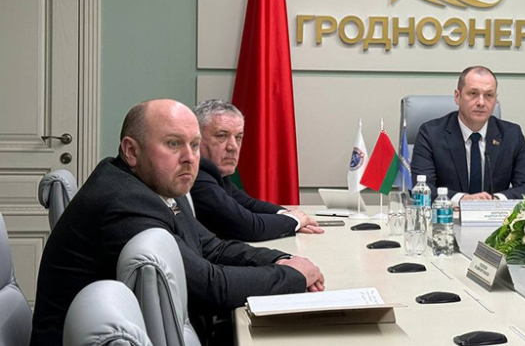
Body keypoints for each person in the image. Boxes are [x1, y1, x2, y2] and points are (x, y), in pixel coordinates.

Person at [30, 100, 324, 346]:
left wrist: (282, 260)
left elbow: (213, 248)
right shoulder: (123, 201)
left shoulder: (161, 184)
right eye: (173, 144)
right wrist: (292, 276)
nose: (189, 158)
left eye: (194, 145)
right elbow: (209, 288)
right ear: (131, 151)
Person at [191, 99, 323, 241]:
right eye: (221, 136)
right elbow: (248, 227)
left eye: (238, 137)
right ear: (195, 139)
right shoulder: (195, 176)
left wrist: (288, 215)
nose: (233, 146)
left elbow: (249, 204)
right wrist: (294, 221)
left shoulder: (214, 173)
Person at [411, 66, 525, 204]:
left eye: (489, 95)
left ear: (495, 100)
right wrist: (463, 199)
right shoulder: (431, 134)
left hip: (494, 215)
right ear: (457, 96)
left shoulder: (512, 135)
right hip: (448, 215)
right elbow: (420, 188)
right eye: (473, 93)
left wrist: (495, 200)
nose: (481, 102)